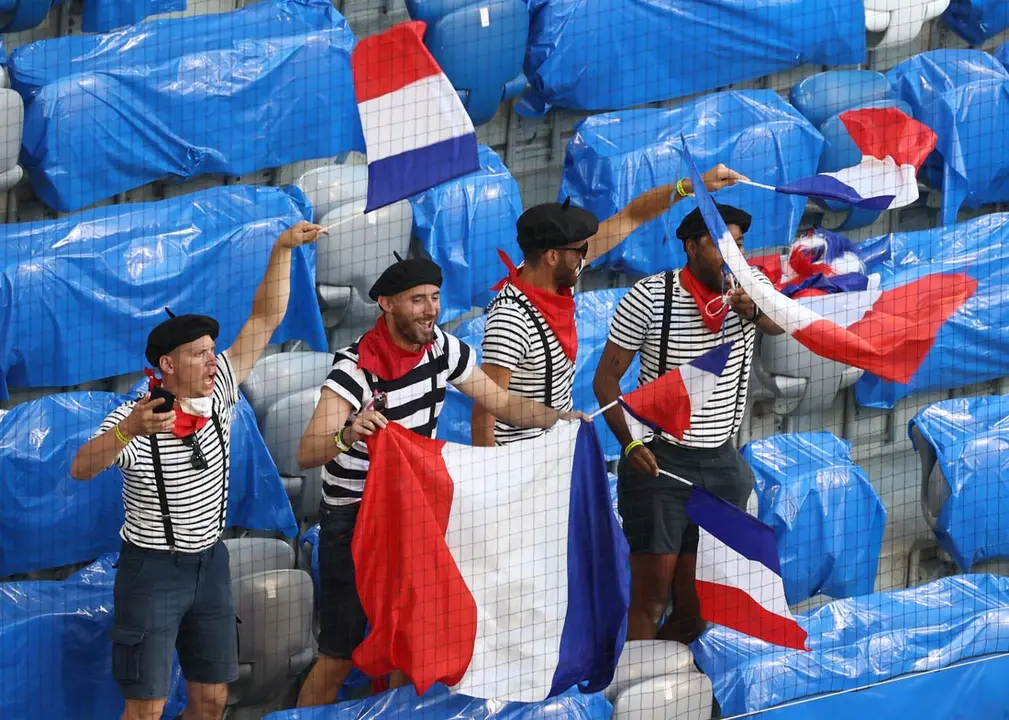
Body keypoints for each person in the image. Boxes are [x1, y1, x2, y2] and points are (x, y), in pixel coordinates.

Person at [294, 254, 587, 707]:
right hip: (354, 522)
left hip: (413, 514)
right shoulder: (354, 371)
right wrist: (348, 433)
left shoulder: (443, 348)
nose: (430, 309)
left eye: (433, 298)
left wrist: (560, 419)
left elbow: (502, 402)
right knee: (341, 651)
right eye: (417, 300)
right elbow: (307, 451)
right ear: (387, 305)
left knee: (408, 645)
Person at [70, 221, 326, 720]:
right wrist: (130, 432)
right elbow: (81, 468)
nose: (213, 360)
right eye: (198, 354)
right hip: (153, 571)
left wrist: (282, 248)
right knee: (147, 708)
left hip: (211, 563)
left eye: (212, 350)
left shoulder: (222, 386)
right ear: (167, 363)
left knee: (211, 699)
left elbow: (266, 318)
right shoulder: (136, 417)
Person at [592, 201, 784, 645]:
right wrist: (630, 445)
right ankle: (636, 693)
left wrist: (750, 310)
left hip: (721, 464)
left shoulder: (751, 287)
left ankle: (677, 687)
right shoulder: (649, 296)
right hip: (658, 462)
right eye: (722, 246)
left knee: (699, 599)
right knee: (652, 596)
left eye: (739, 246)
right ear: (692, 247)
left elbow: (781, 324)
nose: (734, 256)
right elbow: (605, 381)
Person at [471, 166, 744, 447]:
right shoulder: (510, 320)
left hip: (556, 452)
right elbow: (484, 412)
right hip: (519, 464)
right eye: (579, 251)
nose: (586, 255)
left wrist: (690, 186)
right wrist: (494, 487)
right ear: (552, 256)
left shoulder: (552, 277)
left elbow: (632, 216)